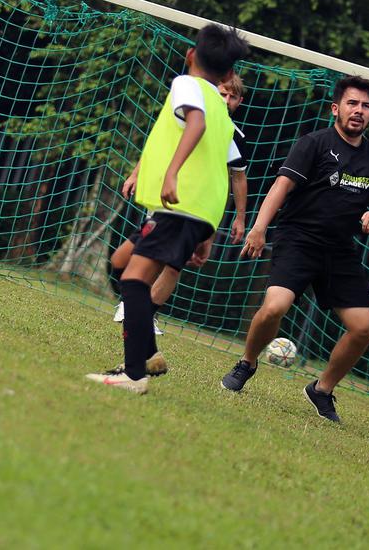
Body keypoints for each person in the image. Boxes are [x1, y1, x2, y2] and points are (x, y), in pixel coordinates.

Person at [220, 75, 369, 423]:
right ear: (336, 108)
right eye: (352, 103)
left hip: (340, 249)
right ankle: (247, 363)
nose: (358, 111)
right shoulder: (314, 143)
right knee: (275, 307)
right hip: (298, 239)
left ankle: (322, 390)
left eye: (365, 106)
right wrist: (258, 228)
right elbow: (281, 186)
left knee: (365, 329)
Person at [85, 24, 250, 394]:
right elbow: (219, 169)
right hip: (199, 212)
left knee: (132, 280)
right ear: (228, 74)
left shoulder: (187, 84)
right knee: (130, 273)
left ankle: (133, 373)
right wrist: (208, 232)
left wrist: (172, 172)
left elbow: (195, 122)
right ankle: (147, 356)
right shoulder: (224, 113)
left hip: (179, 205)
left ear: (191, 55)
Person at [105, 75, 251, 361]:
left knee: (173, 266)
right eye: (222, 94)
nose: (226, 101)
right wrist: (136, 174)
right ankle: (135, 310)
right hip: (167, 196)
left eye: (232, 97)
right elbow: (159, 147)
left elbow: (238, 178)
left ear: (239, 102)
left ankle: (144, 324)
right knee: (127, 259)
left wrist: (240, 218)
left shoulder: (231, 135)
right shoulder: (190, 112)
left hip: (197, 207)